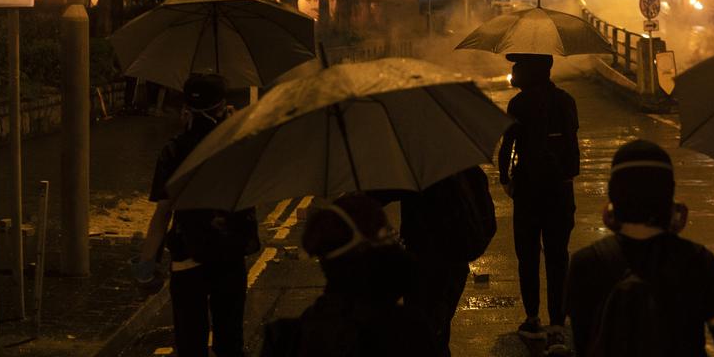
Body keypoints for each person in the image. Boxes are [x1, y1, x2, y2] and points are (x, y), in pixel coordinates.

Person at [564, 139, 714, 357]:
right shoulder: (698, 261)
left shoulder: (586, 263)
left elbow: (584, 344)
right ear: (668, 195)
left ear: (614, 195)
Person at [135, 73, 260, 357]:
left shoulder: (174, 150)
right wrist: (238, 128)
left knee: (190, 343)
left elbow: (162, 214)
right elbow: (257, 190)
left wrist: (145, 267)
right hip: (229, 255)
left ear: (186, 109)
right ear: (223, 106)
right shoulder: (239, 146)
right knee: (230, 340)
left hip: (187, 259)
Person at [260, 193, 440, 357]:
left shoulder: (287, 340)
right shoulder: (406, 331)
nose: (397, 245)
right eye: (387, 235)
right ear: (366, 249)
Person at [497, 53, 580, 354]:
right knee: (558, 256)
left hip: (529, 191)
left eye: (517, 66)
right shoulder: (566, 101)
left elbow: (508, 145)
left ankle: (532, 319)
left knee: (528, 255)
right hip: (560, 190)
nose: (513, 71)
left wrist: (504, 178)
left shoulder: (518, 104)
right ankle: (558, 323)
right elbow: (572, 144)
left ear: (531, 71)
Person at [396, 166, 496, 357]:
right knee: (438, 328)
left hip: (423, 266)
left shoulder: (414, 175)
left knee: (424, 334)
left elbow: (377, 196)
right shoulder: (469, 171)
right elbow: (488, 221)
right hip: (455, 265)